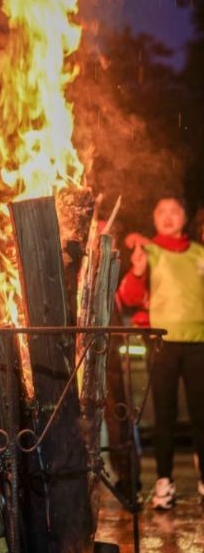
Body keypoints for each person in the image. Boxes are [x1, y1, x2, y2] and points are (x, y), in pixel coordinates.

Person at [118, 195, 204, 510]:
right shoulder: (148, 250)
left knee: (202, 416)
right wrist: (138, 270)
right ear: (154, 218)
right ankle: (164, 484)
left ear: (185, 217)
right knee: (163, 417)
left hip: (199, 344)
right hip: (162, 345)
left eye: (175, 211)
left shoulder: (199, 254)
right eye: (161, 211)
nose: (168, 216)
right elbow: (128, 296)